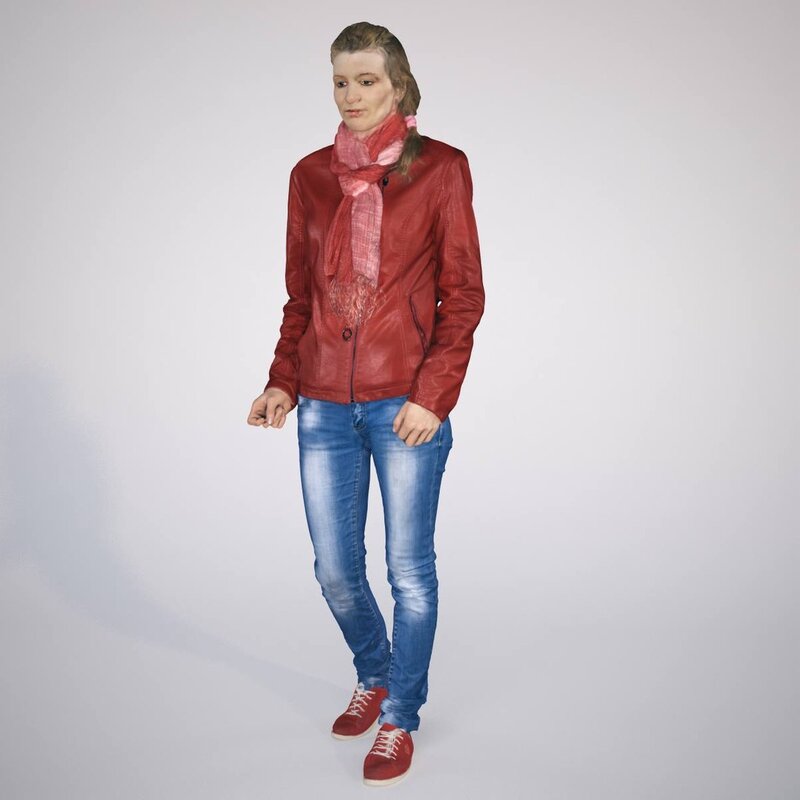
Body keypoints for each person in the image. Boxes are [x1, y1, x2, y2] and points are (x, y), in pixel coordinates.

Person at [247, 21, 485, 787]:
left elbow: (463, 296)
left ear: (398, 85)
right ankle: (374, 672)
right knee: (335, 571)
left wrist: (434, 396)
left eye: (366, 81)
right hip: (322, 402)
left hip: (404, 404)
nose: (351, 95)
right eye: (340, 81)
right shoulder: (309, 175)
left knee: (408, 571)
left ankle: (400, 716)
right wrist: (283, 379)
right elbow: (301, 296)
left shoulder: (441, 169)